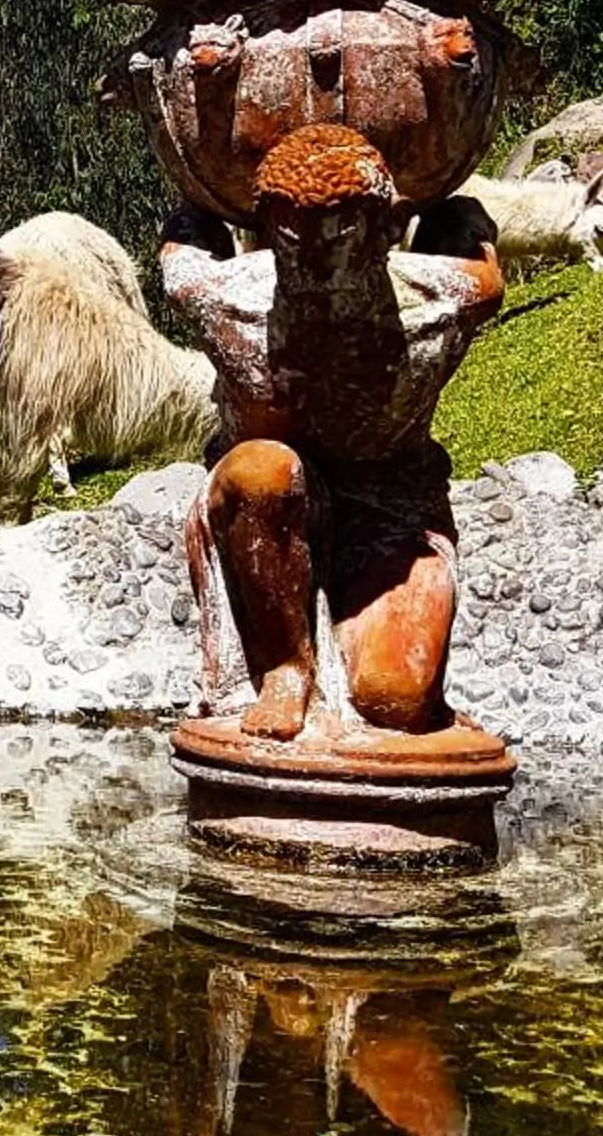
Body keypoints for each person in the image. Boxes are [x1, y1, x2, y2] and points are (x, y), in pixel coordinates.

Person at [158, 122, 502, 739]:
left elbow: (471, 246)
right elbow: (183, 254)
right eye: (291, 231)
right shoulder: (229, 302)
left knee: (395, 699)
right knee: (264, 467)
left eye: (341, 230)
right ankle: (285, 671)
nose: (316, 253)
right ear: (265, 234)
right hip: (266, 515)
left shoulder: (439, 304)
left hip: (391, 512)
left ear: (387, 230)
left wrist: (464, 216)